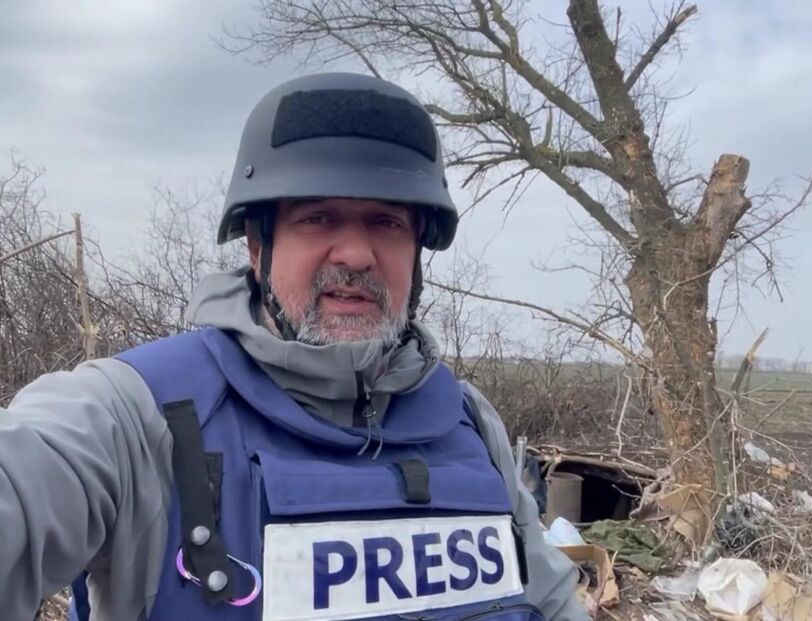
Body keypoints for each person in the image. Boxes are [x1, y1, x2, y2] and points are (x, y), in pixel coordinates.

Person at [0, 73, 587, 621]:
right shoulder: (134, 415)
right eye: (317, 217)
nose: (355, 255)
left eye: (386, 222)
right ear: (258, 246)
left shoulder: (470, 424)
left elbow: (551, 601)